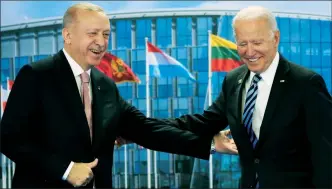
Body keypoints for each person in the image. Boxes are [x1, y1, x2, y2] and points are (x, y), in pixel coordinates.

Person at [0, 3, 237, 188]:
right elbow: (9, 138)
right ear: (68, 35)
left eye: (105, 34)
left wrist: (210, 144)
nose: (101, 42)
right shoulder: (37, 75)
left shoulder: (105, 86)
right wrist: (66, 169)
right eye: (93, 33)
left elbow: (146, 130)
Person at [132, 6, 331, 188]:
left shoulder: (306, 83)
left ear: (276, 38)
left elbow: (326, 156)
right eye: (242, 43)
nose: (249, 51)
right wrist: (138, 130)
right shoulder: (234, 80)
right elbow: (201, 123)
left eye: (257, 42)